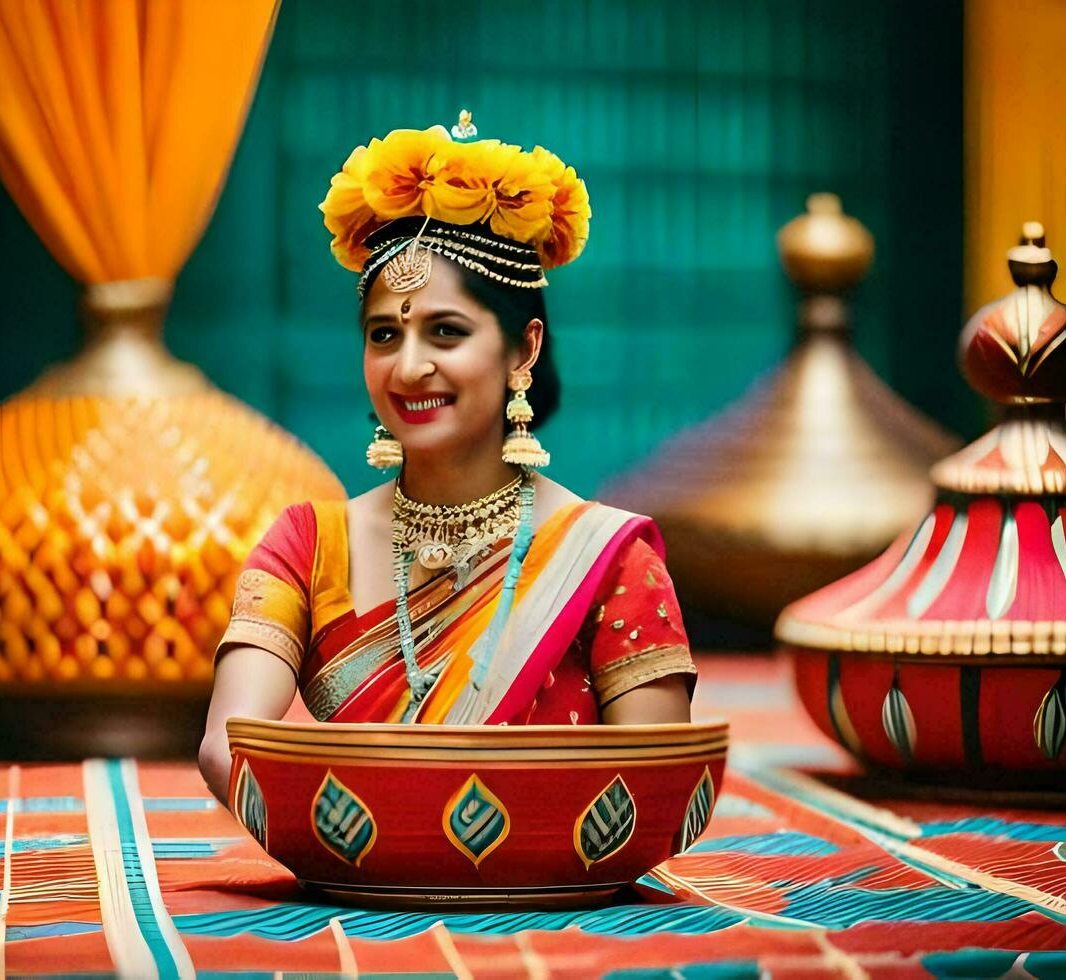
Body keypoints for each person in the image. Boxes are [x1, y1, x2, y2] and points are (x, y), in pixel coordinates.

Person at [200, 114, 695, 804]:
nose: (408, 368)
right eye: (383, 334)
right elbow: (231, 748)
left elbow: (656, 787)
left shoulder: (606, 558)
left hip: (557, 905)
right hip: (351, 890)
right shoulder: (309, 548)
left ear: (523, 348)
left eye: (446, 332)